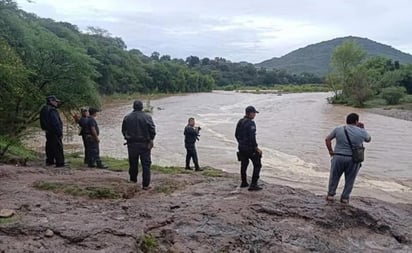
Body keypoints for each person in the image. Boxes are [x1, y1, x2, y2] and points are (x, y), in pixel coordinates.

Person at [325, 113, 371, 204]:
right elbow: (368, 139)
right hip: (353, 159)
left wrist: (331, 151)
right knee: (350, 179)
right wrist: (363, 129)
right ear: (356, 121)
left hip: (338, 157)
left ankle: (330, 195)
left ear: (347, 120)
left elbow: (327, 139)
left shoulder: (338, 129)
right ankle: (345, 198)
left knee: (334, 177)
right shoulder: (362, 131)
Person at [122, 100, 156, 190]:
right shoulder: (147, 117)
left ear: (133, 107)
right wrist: (151, 140)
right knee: (146, 164)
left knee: (133, 163)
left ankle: (133, 181)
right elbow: (152, 130)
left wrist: (127, 138)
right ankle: (145, 185)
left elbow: (123, 130)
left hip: (131, 144)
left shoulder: (127, 117)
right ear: (142, 107)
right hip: (144, 144)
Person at [235, 106, 263, 191]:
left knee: (244, 164)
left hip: (241, 147)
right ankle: (253, 184)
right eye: (254, 113)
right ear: (249, 113)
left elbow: (236, 135)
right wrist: (256, 148)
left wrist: (241, 143)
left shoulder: (240, 121)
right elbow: (252, 138)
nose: (255, 115)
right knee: (257, 164)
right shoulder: (251, 123)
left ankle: (244, 182)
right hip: (250, 148)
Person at [39, 95, 65, 167]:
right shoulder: (52, 110)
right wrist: (60, 132)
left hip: (48, 131)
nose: (57, 103)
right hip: (54, 132)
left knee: (49, 146)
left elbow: (42, 121)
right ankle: (60, 163)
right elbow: (55, 122)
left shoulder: (44, 109)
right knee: (58, 147)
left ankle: (50, 161)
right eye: (55, 101)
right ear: (51, 101)